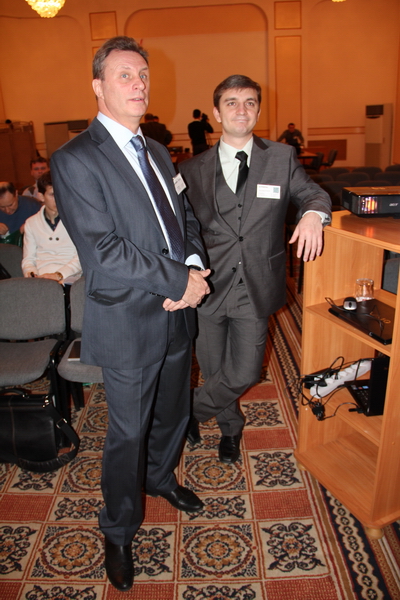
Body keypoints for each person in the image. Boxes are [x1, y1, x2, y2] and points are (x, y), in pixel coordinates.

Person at [50, 36, 210, 592]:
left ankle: (161, 478)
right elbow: (102, 250)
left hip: (178, 312)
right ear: (98, 85)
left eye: (142, 74)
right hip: (127, 320)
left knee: (173, 411)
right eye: (124, 75)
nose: (138, 84)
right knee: (127, 433)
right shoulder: (74, 158)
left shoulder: (159, 150)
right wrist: (179, 281)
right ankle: (118, 529)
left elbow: (184, 219)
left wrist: (192, 266)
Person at [179, 74, 331, 464]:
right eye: (231, 102)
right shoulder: (192, 168)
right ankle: (230, 428)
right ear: (216, 113)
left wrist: (313, 215)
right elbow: (179, 224)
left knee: (245, 372)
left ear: (258, 111)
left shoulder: (280, 157)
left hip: (255, 285)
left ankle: (187, 412)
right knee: (214, 370)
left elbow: (312, 193)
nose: (241, 110)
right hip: (208, 288)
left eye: (249, 102)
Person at [21, 170, 82, 283]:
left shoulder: (77, 220)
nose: (59, 199)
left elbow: (82, 256)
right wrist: (31, 273)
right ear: (41, 196)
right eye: (53, 195)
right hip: (41, 278)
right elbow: (28, 259)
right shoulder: (31, 223)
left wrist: (58, 275)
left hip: (71, 277)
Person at [0, 182, 41, 246]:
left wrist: (30, 227)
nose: (7, 210)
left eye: (10, 205)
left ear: (16, 194)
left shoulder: (32, 205)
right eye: (2, 207)